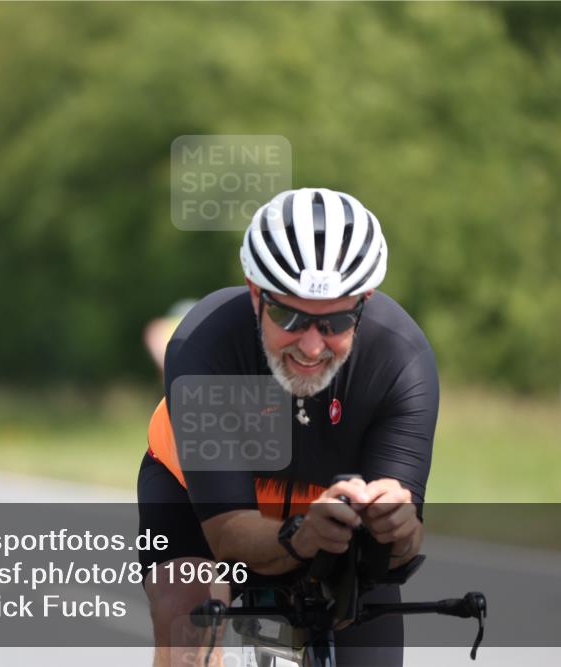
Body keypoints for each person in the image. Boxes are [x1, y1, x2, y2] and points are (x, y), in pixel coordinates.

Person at [137, 188, 439, 666]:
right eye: (289, 315)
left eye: (336, 320)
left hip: (333, 513)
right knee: (187, 616)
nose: (313, 346)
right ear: (257, 294)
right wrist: (299, 537)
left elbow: (401, 546)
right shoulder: (205, 344)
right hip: (199, 497)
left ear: (364, 302)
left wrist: (400, 530)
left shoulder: (400, 360)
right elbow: (227, 534)